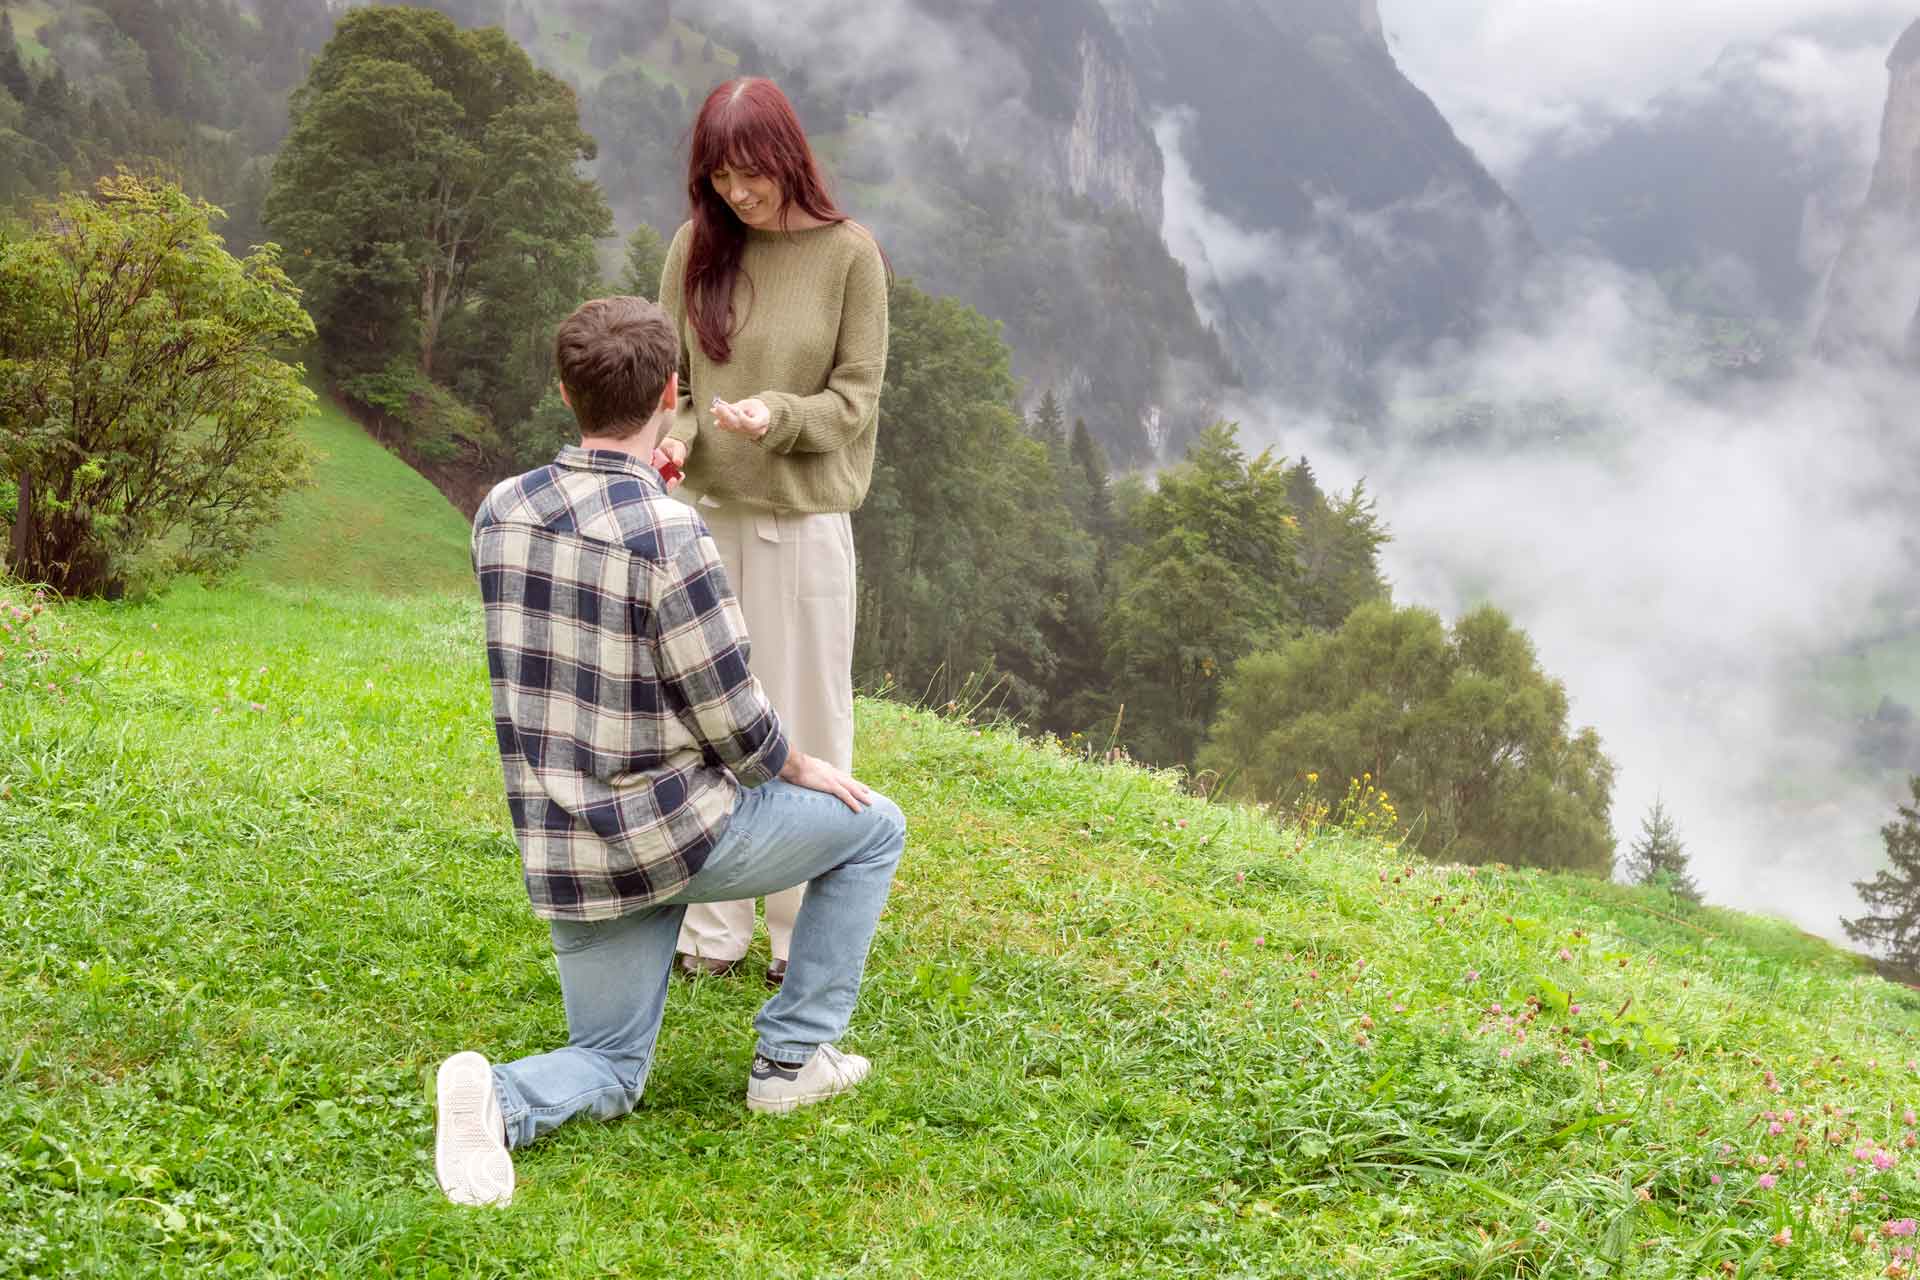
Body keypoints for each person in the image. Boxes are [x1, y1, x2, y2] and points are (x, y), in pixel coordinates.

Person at [435, 295, 906, 1208]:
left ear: (563, 390)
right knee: (874, 826)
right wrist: (800, 765)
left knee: (610, 1066)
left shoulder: (501, 510)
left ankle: (499, 1094)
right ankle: (792, 1061)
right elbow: (730, 714)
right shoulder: (669, 531)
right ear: (669, 392)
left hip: (569, 849)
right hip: (683, 832)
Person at [654, 78, 889, 987]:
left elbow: (855, 403)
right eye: (719, 178)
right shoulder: (695, 249)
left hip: (802, 525)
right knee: (707, 720)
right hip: (703, 518)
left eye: (750, 174)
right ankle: (713, 929)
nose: (737, 194)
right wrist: (673, 447)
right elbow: (671, 389)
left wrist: (778, 416)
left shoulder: (849, 257)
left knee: (807, 721)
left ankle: (797, 935)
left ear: (788, 158)